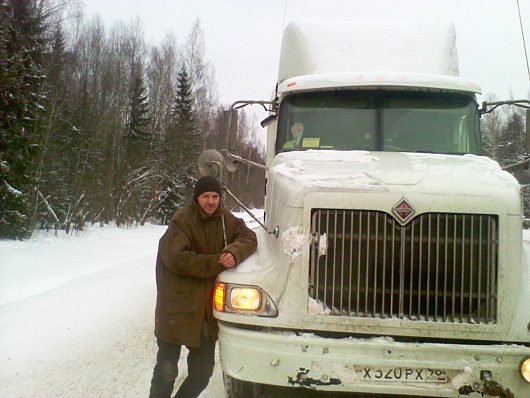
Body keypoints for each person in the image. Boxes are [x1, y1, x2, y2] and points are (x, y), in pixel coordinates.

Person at [149, 176, 257, 398]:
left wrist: (234, 252)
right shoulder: (182, 220)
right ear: (196, 198)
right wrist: (218, 261)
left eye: (215, 196)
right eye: (206, 196)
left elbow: (249, 237)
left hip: (205, 313)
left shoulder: (226, 220)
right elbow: (178, 259)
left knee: (202, 372)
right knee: (166, 372)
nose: (211, 201)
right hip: (176, 307)